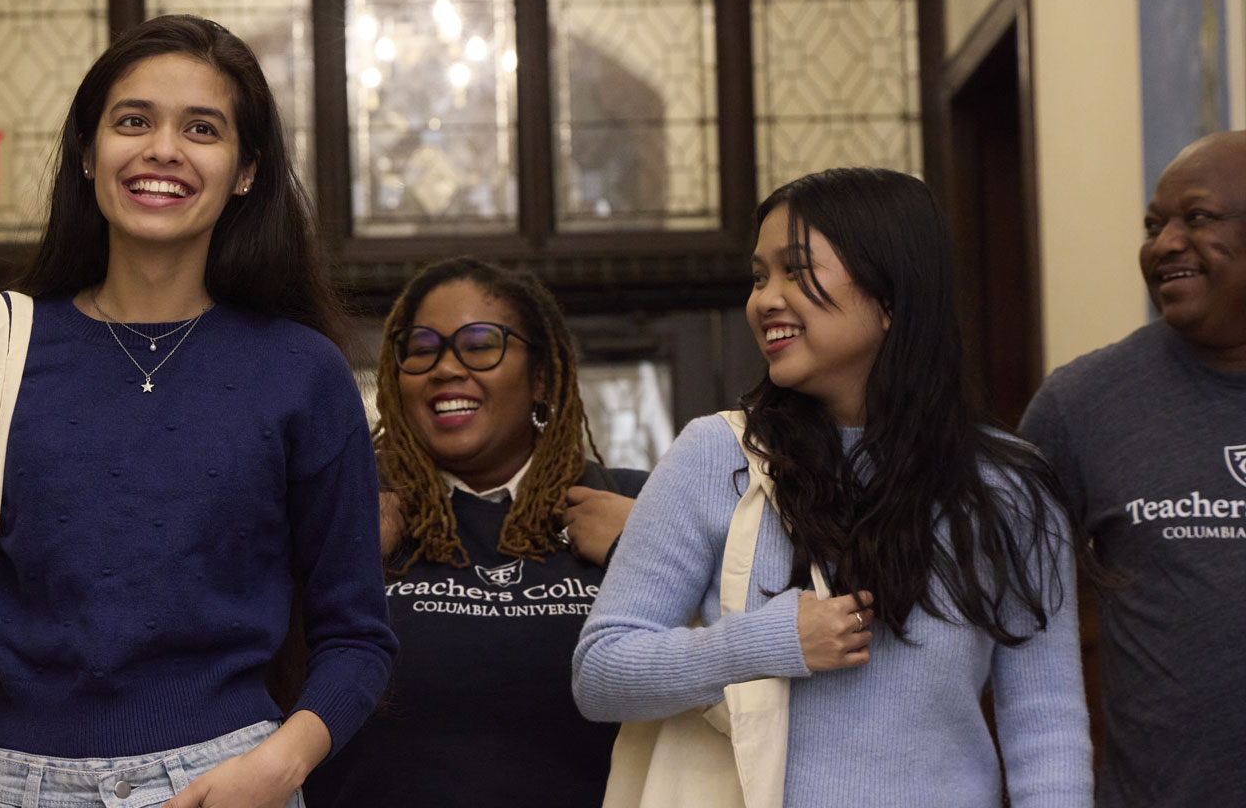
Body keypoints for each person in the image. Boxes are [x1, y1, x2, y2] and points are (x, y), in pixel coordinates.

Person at [0, 15, 396, 808]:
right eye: (132, 121)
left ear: (245, 170)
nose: (162, 149)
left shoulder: (302, 371)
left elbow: (357, 637)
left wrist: (277, 768)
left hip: (229, 779)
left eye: (201, 128)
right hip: (12, 783)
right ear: (86, 153)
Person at [571, 168, 1091, 806]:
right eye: (760, 276)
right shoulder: (716, 456)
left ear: (892, 293)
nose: (765, 299)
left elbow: (1046, 725)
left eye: (795, 270)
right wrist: (765, 642)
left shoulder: (1008, 486)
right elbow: (602, 673)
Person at [303, 258, 640, 806]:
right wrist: (341, 551)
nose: (445, 367)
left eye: (480, 343)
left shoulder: (636, 505)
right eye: (422, 347)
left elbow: (736, 679)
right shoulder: (346, 508)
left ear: (542, 377)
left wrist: (641, 545)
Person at [1018, 131, 1246, 808]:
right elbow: (996, 603)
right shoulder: (1081, 405)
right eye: (1153, 225)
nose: (1164, 243)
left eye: (1196, 218)